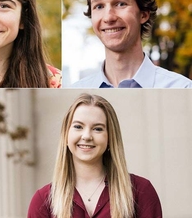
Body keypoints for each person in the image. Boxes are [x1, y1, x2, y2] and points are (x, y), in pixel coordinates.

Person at [27, 93, 162, 217]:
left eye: (97, 129)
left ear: (110, 138)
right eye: (78, 126)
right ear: (66, 135)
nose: (86, 136)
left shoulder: (141, 192)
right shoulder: (43, 201)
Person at [71, 0, 192, 88]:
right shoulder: (75, 91)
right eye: (99, 6)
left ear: (143, 14)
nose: (108, 17)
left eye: (120, 4)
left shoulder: (184, 89)